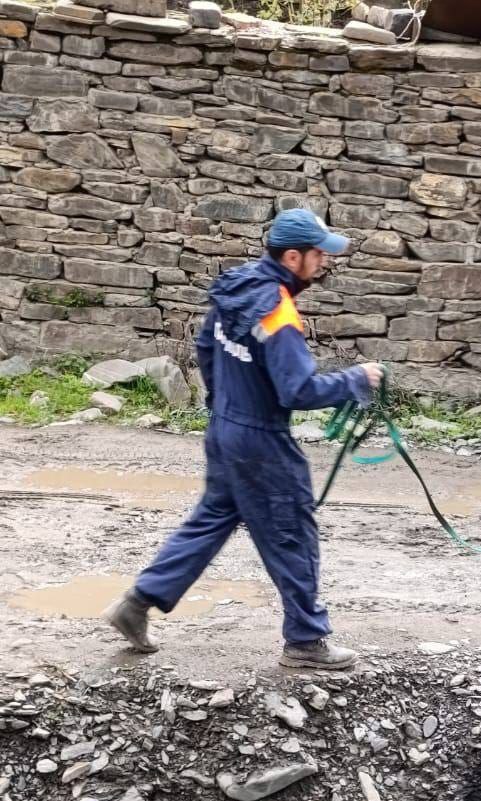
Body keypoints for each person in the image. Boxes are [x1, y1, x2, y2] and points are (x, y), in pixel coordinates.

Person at [105, 209, 383, 671]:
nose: (324, 262)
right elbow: (297, 390)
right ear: (293, 257)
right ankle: (306, 641)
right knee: (292, 531)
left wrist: (226, 405)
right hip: (261, 441)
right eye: (318, 254)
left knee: (211, 519)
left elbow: (206, 347)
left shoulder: (236, 288)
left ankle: (135, 605)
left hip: (225, 428)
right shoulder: (277, 311)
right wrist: (356, 379)